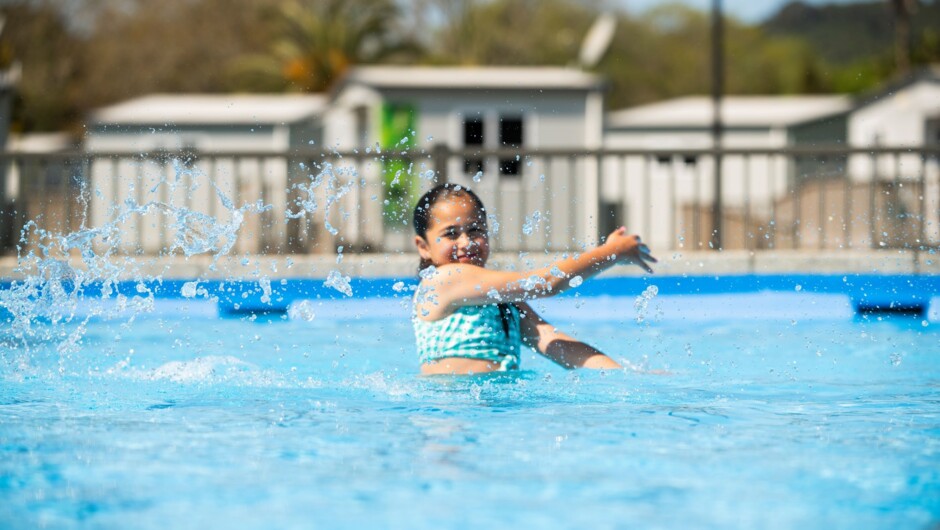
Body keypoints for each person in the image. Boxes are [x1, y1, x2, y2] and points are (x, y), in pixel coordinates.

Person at [412, 183, 656, 375]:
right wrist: (610, 252)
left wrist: (622, 374)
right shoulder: (443, 280)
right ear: (423, 247)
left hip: (493, 414)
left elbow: (551, 341)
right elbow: (546, 282)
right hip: (450, 414)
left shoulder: (500, 301)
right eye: (451, 234)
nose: (466, 242)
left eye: (475, 230)